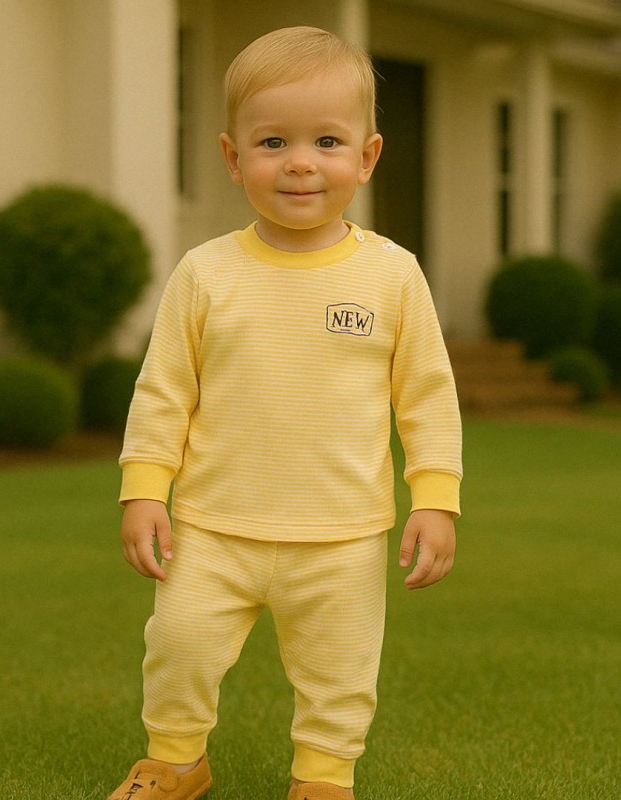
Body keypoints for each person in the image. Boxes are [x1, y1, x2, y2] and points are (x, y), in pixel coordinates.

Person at [107, 25, 462, 800]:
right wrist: (144, 488)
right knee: (179, 644)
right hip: (213, 524)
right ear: (234, 158)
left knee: (340, 671)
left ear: (366, 157)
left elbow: (428, 398)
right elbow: (163, 390)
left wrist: (436, 500)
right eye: (273, 142)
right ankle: (175, 759)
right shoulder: (206, 274)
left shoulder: (392, 276)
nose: (301, 162)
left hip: (342, 534)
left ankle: (324, 777)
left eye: (327, 141)